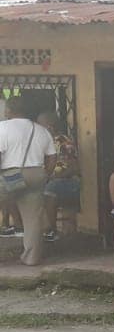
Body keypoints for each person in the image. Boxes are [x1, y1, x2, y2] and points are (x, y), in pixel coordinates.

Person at [0, 95, 56, 265]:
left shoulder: (3, 127)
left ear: (8, 110)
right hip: (36, 174)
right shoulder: (41, 130)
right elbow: (52, 157)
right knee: (33, 218)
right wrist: (45, 175)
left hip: (11, 175)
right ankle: (31, 258)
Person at [38, 111, 79, 242]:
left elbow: (74, 168)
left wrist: (53, 178)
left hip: (68, 181)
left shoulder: (63, 142)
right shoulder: (45, 142)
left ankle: (51, 230)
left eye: (40, 126)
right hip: (52, 181)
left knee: (49, 190)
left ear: (49, 126)